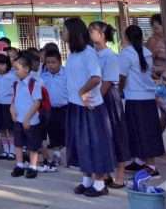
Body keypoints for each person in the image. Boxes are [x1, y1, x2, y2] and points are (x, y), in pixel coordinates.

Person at [64, 17, 114, 198]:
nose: (63, 33)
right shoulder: (74, 54)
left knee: (95, 144)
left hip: (90, 107)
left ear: (74, 32)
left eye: (65, 30)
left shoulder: (89, 53)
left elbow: (96, 78)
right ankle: (87, 180)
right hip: (76, 106)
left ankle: (100, 183)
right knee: (81, 144)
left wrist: (82, 91)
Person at [89, 21, 130, 189]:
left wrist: (96, 98)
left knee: (116, 133)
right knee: (101, 135)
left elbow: (107, 81)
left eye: (93, 30)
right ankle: (104, 174)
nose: (89, 33)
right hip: (95, 96)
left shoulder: (111, 56)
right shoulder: (91, 54)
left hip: (107, 97)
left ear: (102, 35)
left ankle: (119, 176)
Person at [119, 24, 164, 174]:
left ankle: (151, 166)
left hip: (135, 97)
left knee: (141, 131)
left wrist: (119, 90)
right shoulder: (146, 53)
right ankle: (139, 161)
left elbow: (122, 77)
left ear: (126, 37)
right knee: (143, 130)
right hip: (148, 96)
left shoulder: (126, 54)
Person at [10, 54, 44, 178]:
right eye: (14, 69)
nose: (15, 72)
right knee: (18, 143)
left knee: (32, 145)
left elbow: (37, 102)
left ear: (26, 69)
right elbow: (14, 98)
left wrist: (28, 117)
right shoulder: (16, 83)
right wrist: (12, 108)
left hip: (31, 121)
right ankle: (19, 165)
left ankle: (32, 167)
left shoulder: (34, 83)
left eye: (17, 69)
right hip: (19, 119)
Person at [40, 47, 67, 172]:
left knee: (67, 131)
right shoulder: (43, 77)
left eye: (53, 62)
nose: (51, 65)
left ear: (60, 62)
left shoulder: (66, 74)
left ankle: (72, 155)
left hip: (65, 108)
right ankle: (56, 154)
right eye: (48, 62)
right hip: (50, 109)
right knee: (53, 131)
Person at [0, 53, 16, 160]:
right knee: (1, 129)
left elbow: (15, 92)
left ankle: (13, 151)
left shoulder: (13, 77)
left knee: (10, 129)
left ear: (7, 65)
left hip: (9, 105)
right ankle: (5, 150)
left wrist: (14, 106)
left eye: (2, 64)